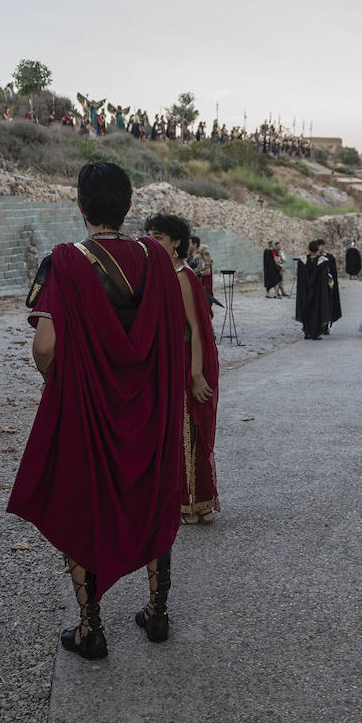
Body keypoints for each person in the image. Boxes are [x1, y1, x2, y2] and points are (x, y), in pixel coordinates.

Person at [9, 163, 186, 660]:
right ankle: (157, 613)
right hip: (149, 406)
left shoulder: (64, 261)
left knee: (82, 504)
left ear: (81, 205)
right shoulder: (156, 258)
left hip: (89, 406)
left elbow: (45, 346)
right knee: (152, 496)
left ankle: (91, 628)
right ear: (128, 206)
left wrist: (56, 378)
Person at [144, 215, 220, 526]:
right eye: (149, 236)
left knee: (189, 430)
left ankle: (192, 503)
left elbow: (196, 329)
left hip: (186, 360)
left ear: (176, 241)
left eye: (159, 236)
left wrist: (197, 374)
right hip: (168, 358)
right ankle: (193, 503)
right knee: (177, 431)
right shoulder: (161, 272)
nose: (152, 241)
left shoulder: (182, 275)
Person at [295, 241, 339, 339]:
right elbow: (324, 279)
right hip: (317, 292)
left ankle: (307, 332)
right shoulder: (322, 261)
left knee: (306, 310)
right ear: (318, 249)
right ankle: (315, 333)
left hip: (305, 291)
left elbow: (300, 278)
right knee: (316, 311)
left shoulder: (302, 261)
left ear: (308, 248)